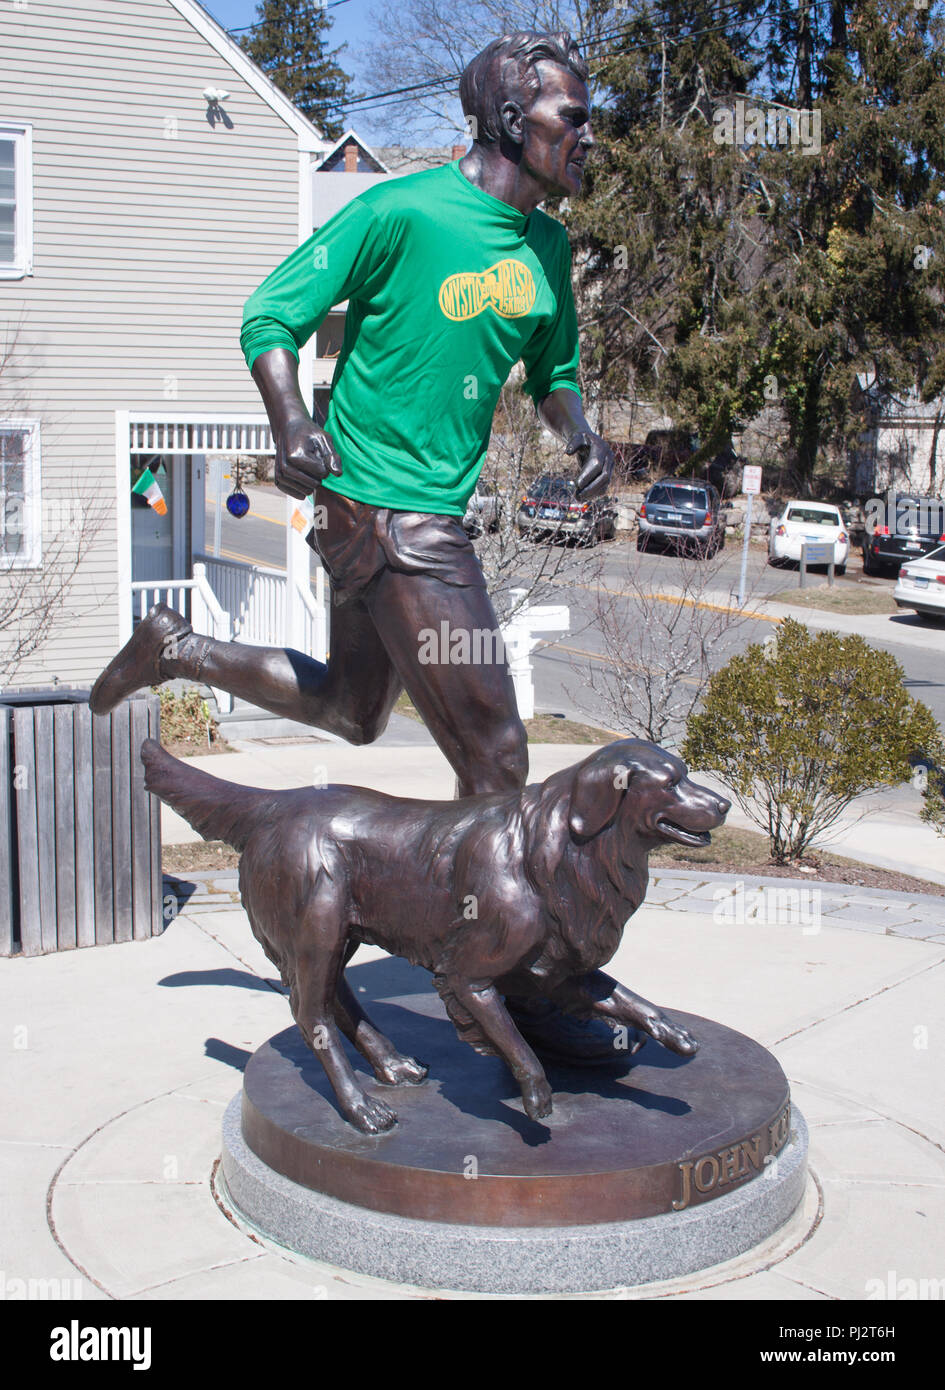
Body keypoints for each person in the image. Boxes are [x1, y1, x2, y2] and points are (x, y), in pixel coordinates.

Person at [92, 30, 622, 1063]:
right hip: (382, 510)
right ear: (515, 120)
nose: (589, 135)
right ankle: (524, 984)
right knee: (500, 759)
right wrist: (292, 421)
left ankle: (179, 648)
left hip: (418, 514)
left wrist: (582, 431)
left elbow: (549, 370)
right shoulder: (401, 210)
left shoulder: (548, 251)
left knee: (350, 707)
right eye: (575, 117)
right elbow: (270, 313)